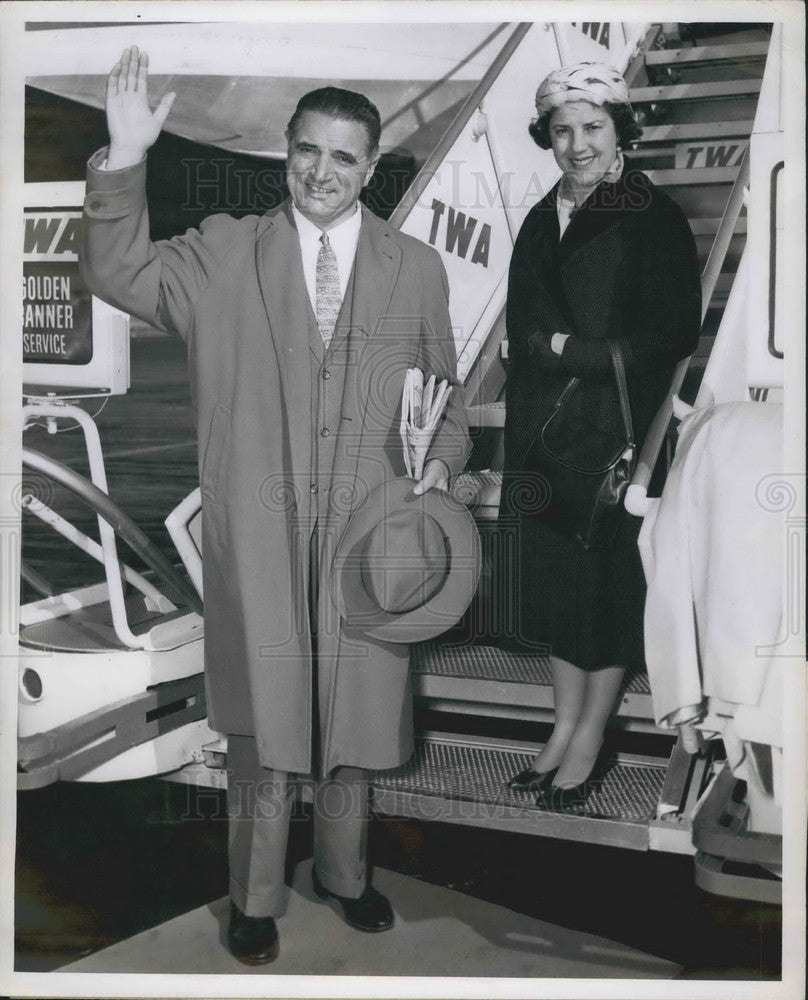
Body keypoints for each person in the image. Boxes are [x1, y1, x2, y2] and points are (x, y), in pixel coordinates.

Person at [80, 46, 470, 964]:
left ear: (371, 168)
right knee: (265, 722)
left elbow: (445, 396)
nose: (322, 172)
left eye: (343, 157)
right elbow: (118, 271)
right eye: (307, 150)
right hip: (259, 537)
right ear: (286, 153)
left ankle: (346, 875)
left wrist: (444, 464)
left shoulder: (417, 268)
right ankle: (253, 897)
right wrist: (125, 159)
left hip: (372, 536)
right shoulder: (221, 253)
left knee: (355, 716)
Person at [499, 62, 701, 807]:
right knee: (558, 587)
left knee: (606, 590)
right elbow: (524, 320)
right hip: (544, 429)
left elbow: (672, 332)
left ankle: (590, 738)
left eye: (592, 127)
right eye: (562, 131)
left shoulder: (653, 214)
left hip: (613, 430)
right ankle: (561, 728)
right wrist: (546, 351)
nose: (577, 144)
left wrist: (568, 352)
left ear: (620, 131)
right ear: (546, 137)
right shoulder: (540, 214)